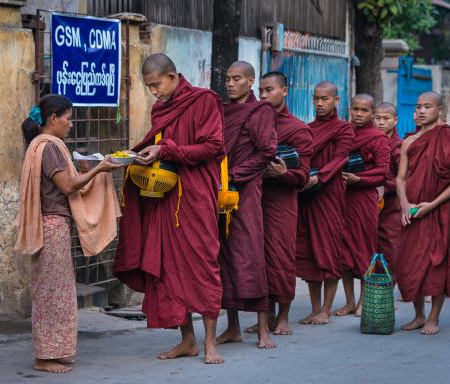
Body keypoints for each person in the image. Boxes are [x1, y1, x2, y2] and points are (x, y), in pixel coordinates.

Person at [114, 54, 226, 364]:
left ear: (174, 77)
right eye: (149, 87)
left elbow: (212, 146)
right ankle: (187, 341)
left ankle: (210, 344)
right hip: (166, 197)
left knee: (203, 267)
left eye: (156, 85)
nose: (154, 92)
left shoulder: (204, 101)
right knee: (168, 271)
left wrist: (166, 149)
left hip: (196, 197)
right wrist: (142, 155)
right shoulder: (159, 109)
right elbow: (162, 145)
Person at [16, 94, 122, 373]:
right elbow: (68, 185)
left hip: (51, 226)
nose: (71, 124)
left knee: (54, 291)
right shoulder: (50, 146)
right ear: (53, 119)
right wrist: (99, 168)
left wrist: (90, 170)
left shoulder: (41, 145)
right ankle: (44, 357)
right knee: (53, 294)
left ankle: (54, 352)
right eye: (68, 118)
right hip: (52, 228)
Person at [396, 91, 450, 335]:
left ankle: (433, 317)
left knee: (436, 264)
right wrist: (405, 204)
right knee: (408, 264)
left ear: (439, 110)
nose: (420, 111)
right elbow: (400, 178)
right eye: (418, 106)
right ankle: (418, 315)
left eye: (427, 106)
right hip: (413, 212)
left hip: (438, 212)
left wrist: (433, 203)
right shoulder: (409, 141)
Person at [216, 61, 278, 349]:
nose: (230, 83)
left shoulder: (260, 111)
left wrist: (234, 176)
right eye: (227, 78)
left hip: (246, 190)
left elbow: (267, 152)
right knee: (225, 255)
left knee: (250, 255)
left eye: (236, 78)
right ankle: (232, 327)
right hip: (221, 190)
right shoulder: (223, 110)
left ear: (250, 81)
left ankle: (264, 329)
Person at [249, 71, 313, 335]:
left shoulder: (297, 129)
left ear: (285, 91)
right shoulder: (252, 123)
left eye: (269, 90)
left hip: (282, 203)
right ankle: (265, 318)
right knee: (257, 260)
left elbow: (305, 174)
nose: (263, 95)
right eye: (260, 90)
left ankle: (284, 316)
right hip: (254, 200)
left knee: (281, 259)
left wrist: (283, 173)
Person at [296, 81, 354, 325]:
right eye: (316, 99)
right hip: (308, 195)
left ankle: (327, 310)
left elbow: (341, 158)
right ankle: (315, 308)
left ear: (336, 101)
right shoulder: (307, 129)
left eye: (325, 99)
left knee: (328, 249)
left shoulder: (344, 129)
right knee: (310, 250)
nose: (319, 104)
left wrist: (319, 176)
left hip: (329, 193)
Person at [336, 94, 390, 317]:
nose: (358, 114)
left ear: (372, 113)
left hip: (363, 199)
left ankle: (363, 301)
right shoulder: (343, 133)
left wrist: (361, 180)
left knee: (363, 249)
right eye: (355, 109)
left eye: (364, 110)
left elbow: (383, 171)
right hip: (342, 198)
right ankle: (349, 301)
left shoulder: (378, 138)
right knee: (343, 253)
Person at [375, 102, 402, 280]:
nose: (381, 122)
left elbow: (405, 178)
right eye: (378, 118)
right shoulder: (370, 141)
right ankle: (375, 294)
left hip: (392, 206)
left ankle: (388, 292)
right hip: (371, 204)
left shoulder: (399, 146)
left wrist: (385, 185)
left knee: (391, 249)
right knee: (373, 250)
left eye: (386, 119)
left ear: (395, 120)